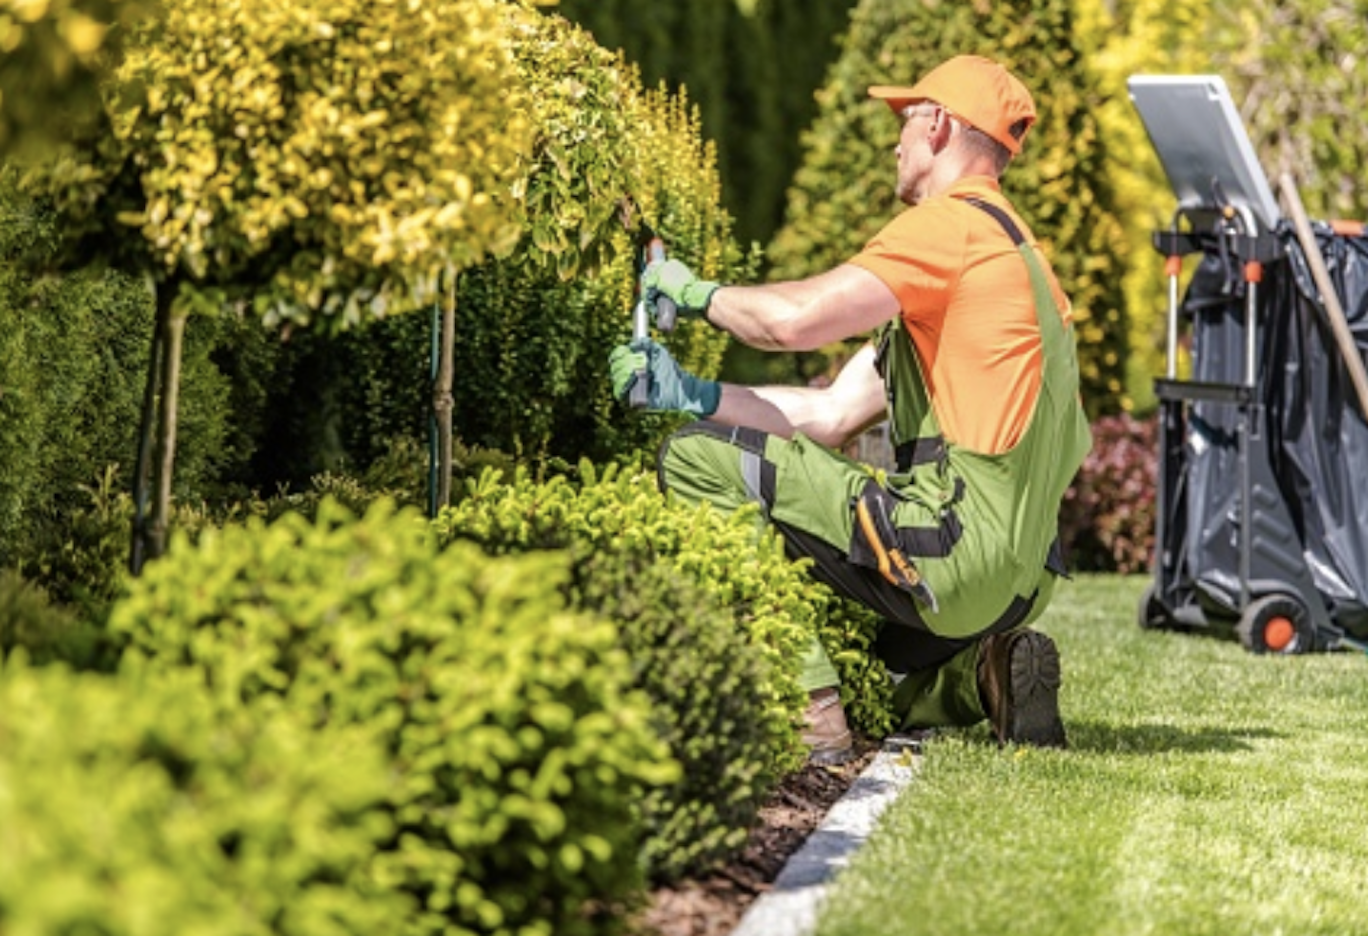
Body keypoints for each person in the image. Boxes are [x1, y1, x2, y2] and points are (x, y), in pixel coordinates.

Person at [608, 55, 1091, 763]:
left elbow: (793, 323)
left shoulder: (949, 228)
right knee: (860, 657)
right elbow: (832, 414)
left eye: (905, 122)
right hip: (1020, 582)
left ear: (939, 125)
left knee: (692, 458)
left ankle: (807, 711)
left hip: (952, 552)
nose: (895, 143)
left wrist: (695, 293)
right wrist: (692, 394)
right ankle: (981, 676)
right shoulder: (1021, 261)